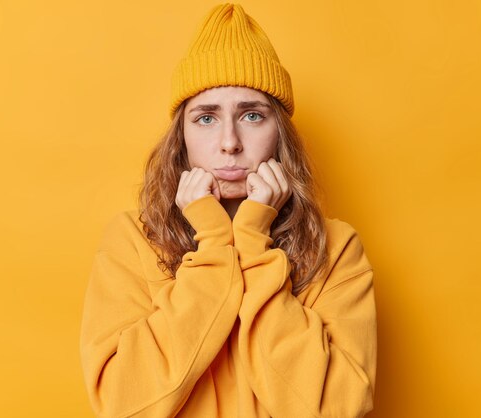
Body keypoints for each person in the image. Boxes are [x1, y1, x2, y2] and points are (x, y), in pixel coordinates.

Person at [80, 3, 377, 417]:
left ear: (281, 135)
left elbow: (335, 409)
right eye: (205, 118)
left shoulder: (336, 247)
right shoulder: (131, 241)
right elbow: (125, 405)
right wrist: (214, 243)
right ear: (180, 138)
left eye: (252, 115)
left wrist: (253, 243)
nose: (230, 142)